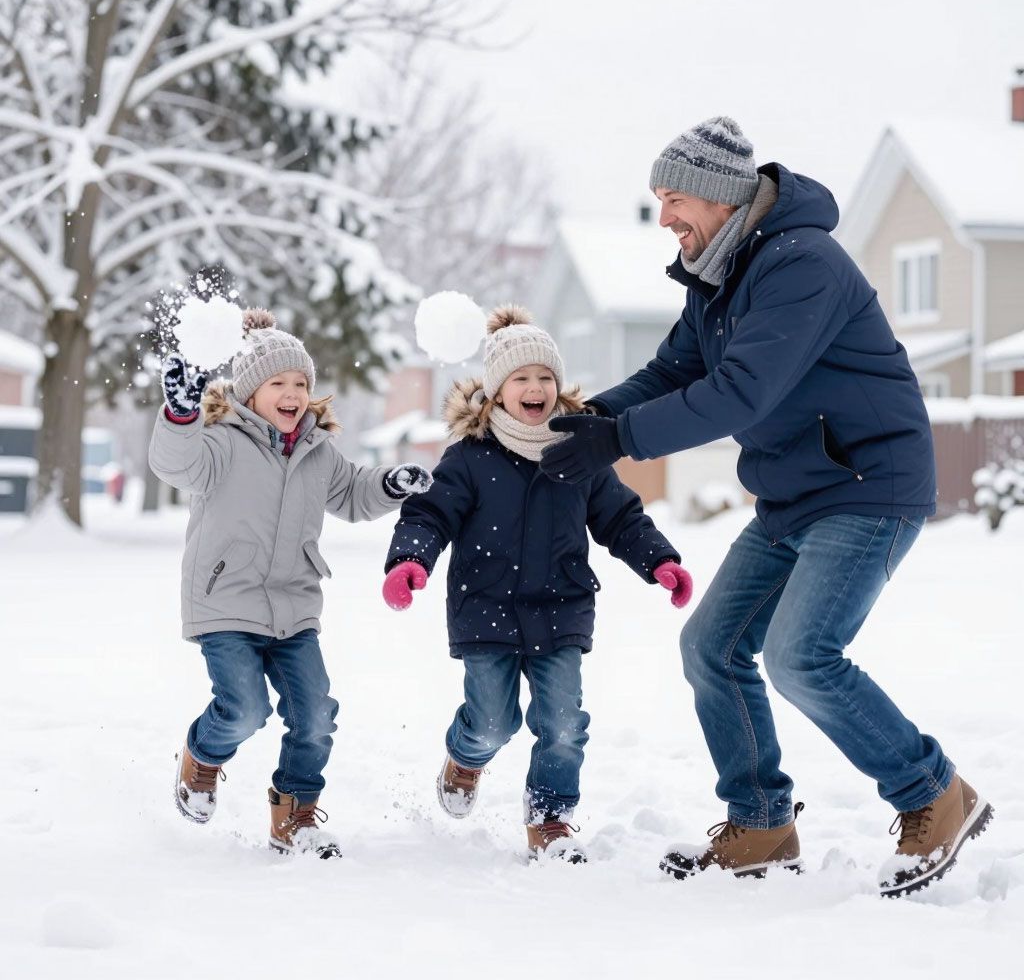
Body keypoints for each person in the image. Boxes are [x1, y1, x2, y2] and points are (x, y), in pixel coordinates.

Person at [539, 116, 992, 896]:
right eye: (658, 199)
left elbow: (738, 390)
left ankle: (934, 794)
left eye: (674, 198)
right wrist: (582, 420)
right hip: (793, 493)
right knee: (711, 646)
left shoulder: (799, 263)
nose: (665, 217)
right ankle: (761, 825)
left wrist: (617, 441)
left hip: (867, 485)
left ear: (719, 198)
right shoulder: (718, 275)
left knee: (800, 654)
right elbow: (671, 373)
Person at [382, 305, 692, 862]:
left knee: (564, 723)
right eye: (522, 378)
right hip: (486, 608)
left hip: (561, 608)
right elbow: (429, 515)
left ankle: (550, 819)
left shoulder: (580, 453)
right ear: (498, 391)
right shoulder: (470, 458)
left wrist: (659, 562)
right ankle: (465, 755)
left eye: (545, 377)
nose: (536, 387)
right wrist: (411, 561)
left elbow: (620, 518)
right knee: (494, 723)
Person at [150, 307, 432, 858]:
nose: (292, 393)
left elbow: (352, 494)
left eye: (301, 383)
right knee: (244, 709)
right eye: (278, 382)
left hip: (293, 608)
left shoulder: (317, 451)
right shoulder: (221, 442)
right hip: (225, 602)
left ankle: (295, 815)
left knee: (317, 716)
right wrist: (179, 415)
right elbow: (175, 466)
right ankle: (202, 759)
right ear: (251, 392)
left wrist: (392, 484)